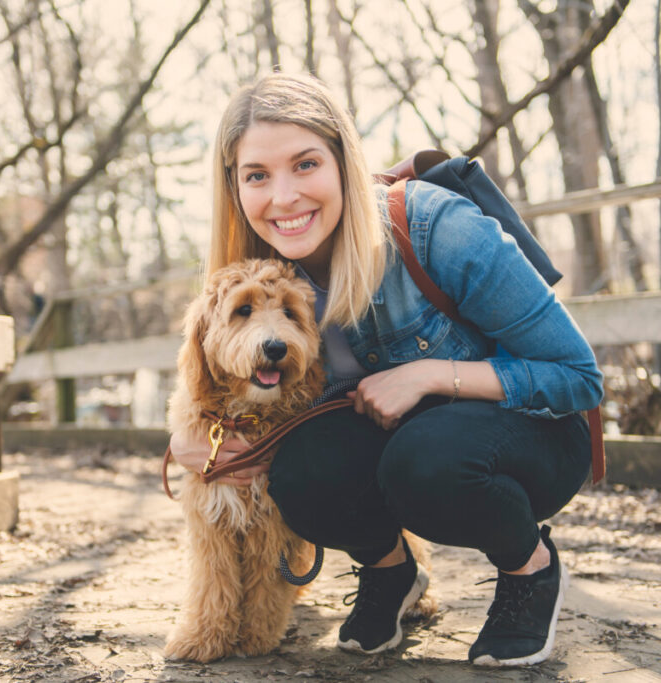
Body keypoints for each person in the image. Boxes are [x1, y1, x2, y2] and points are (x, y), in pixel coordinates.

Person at [169, 72, 603, 668]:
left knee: (424, 458)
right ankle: (391, 572)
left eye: (305, 164)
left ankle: (529, 568)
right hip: (407, 443)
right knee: (300, 471)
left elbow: (579, 376)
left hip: (532, 433)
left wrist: (429, 375)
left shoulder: (435, 227)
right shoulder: (269, 273)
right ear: (235, 188)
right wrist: (193, 438)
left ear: (343, 160)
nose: (284, 196)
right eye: (257, 176)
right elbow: (223, 380)